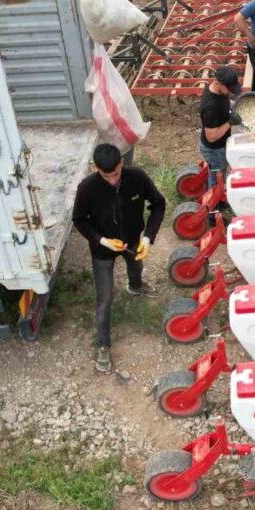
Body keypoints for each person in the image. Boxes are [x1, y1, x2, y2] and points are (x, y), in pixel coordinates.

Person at [72, 144, 166, 373]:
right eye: (107, 176)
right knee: (104, 299)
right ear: (96, 168)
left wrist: (147, 239)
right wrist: (101, 240)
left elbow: (158, 205)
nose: (113, 180)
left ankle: (136, 286)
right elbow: (79, 220)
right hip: (103, 249)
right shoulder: (87, 188)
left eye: (116, 174)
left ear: (122, 163)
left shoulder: (137, 178)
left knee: (136, 266)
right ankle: (103, 345)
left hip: (133, 240)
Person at [199, 65, 241, 187]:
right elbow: (211, 137)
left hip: (219, 144)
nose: (231, 91)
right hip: (214, 149)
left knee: (216, 171)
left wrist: (234, 104)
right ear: (218, 83)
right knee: (218, 176)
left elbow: (223, 101)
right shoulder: (210, 107)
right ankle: (216, 201)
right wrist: (230, 122)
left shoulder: (215, 89)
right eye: (229, 88)